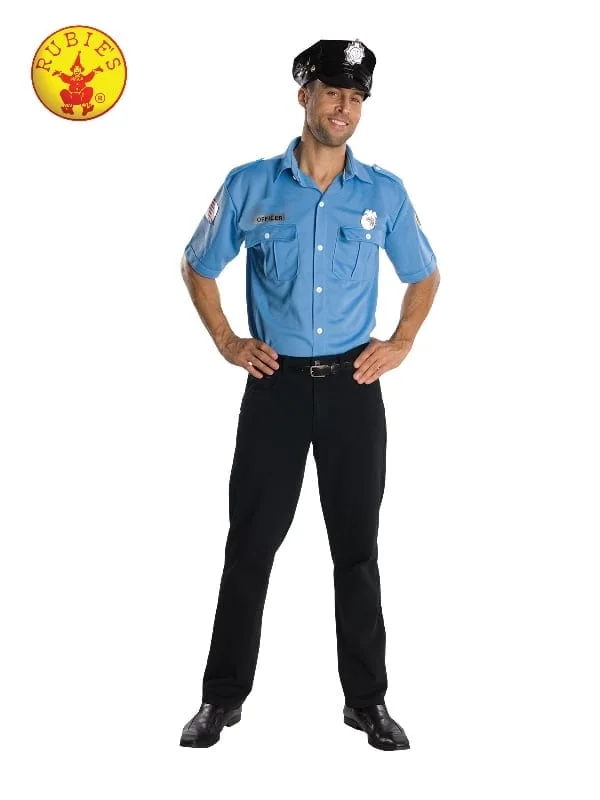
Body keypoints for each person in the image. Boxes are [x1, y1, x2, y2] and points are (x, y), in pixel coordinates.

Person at [179, 38, 440, 751]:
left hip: (355, 388)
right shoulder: (250, 185)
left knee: (357, 550)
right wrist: (228, 341)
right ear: (305, 96)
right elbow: (197, 265)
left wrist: (402, 340)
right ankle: (220, 699)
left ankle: (367, 702)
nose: (343, 108)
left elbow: (424, 273)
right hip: (276, 389)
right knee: (250, 546)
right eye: (331, 93)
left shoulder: (383, 193)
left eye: (355, 97)